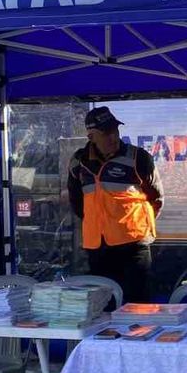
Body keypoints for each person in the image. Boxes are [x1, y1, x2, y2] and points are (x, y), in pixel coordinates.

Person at [67, 106, 163, 303]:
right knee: (104, 306)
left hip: (134, 245)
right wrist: (97, 223)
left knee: (138, 306)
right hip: (98, 247)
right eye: (106, 133)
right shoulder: (78, 162)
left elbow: (156, 198)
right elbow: (77, 202)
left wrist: (133, 225)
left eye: (115, 131)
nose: (113, 137)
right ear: (91, 136)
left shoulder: (138, 158)